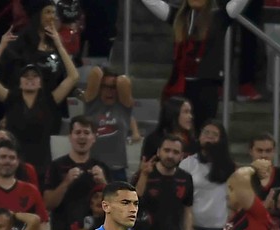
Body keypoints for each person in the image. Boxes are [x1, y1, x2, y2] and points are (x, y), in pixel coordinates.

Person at [0, 27, 79, 178]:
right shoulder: (11, 99)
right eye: (26, 76)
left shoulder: (50, 100)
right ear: (19, 82)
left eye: (35, 76)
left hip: (42, 166)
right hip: (14, 166)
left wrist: (59, 44)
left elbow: (73, 76)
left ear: (41, 83)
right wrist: (1, 47)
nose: (30, 78)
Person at [140, 0, 248, 131]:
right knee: (174, 133)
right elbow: (153, 3)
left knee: (200, 133)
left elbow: (239, 3)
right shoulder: (178, 16)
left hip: (206, 88)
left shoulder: (220, 16)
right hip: (179, 87)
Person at [133, 133, 195, 230]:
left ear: (182, 156)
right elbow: (134, 200)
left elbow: (187, 208)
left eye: (175, 152)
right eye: (167, 150)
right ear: (159, 151)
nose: (170, 155)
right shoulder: (146, 173)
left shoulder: (185, 178)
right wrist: (144, 175)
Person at [43, 116, 110, 230]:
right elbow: (48, 204)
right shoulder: (56, 166)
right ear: (70, 136)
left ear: (94, 137)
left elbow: (117, 206)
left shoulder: (102, 168)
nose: (82, 137)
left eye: (86, 133)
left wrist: (103, 182)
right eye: (77, 132)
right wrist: (66, 182)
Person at [179, 120, 236, 230]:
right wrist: (186, 228)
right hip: (194, 228)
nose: (209, 136)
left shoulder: (230, 167)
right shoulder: (187, 164)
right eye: (206, 133)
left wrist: (230, 226)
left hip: (221, 228)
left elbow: (233, 200)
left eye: (214, 134)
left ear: (221, 140)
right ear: (199, 137)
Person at [83, 66, 135, 181]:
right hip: (93, 167)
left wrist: (117, 82)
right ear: (99, 88)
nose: (109, 91)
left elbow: (123, 81)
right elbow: (95, 73)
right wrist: (103, 71)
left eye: (113, 87)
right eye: (105, 87)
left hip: (117, 169)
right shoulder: (92, 104)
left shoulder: (124, 107)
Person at [141, 95, 195, 161]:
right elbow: (143, 168)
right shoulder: (153, 140)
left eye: (190, 112)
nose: (190, 116)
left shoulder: (192, 140)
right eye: (186, 112)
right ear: (173, 114)